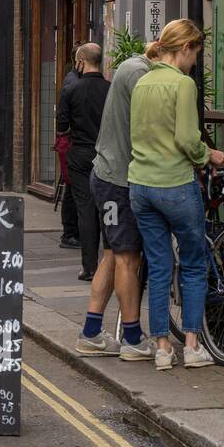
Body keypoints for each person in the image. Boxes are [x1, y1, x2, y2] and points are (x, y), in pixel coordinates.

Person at [128, 19, 224, 371]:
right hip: (174, 185)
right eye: (196, 53)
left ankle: (162, 349)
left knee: (158, 267)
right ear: (185, 48)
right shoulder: (182, 85)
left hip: (140, 185)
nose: (195, 62)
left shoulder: (142, 82)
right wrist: (208, 155)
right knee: (194, 263)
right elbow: (187, 138)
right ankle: (193, 344)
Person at [75, 48, 155, 360]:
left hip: (106, 176)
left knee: (111, 257)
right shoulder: (139, 73)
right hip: (117, 182)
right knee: (127, 260)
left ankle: (91, 333)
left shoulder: (131, 68)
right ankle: (133, 338)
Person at [56, 43, 111, 282]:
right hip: (106, 155)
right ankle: (111, 264)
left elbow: (61, 126)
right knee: (108, 209)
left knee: (85, 209)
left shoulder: (71, 90)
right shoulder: (111, 89)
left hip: (80, 154)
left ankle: (89, 268)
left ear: (80, 62)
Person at [59, 46, 83, 249]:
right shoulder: (73, 83)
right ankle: (69, 232)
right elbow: (63, 120)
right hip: (71, 142)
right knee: (72, 186)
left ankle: (72, 231)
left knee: (72, 185)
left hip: (70, 141)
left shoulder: (72, 80)